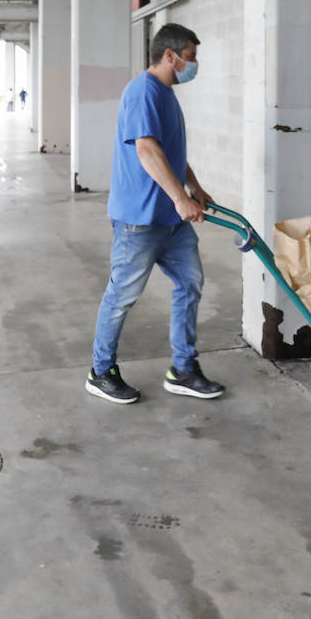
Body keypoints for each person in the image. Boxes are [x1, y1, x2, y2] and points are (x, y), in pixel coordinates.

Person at [86, 22, 225, 404]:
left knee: (190, 282)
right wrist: (181, 199)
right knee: (123, 296)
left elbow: (170, 151)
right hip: (140, 219)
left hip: (171, 220)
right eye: (190, 58)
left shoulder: (165, 93)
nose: (193, 66)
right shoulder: (143, 91)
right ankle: (100, 371)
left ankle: (183, 368)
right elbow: (146, 150)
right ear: (170, 56)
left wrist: (192, 186)